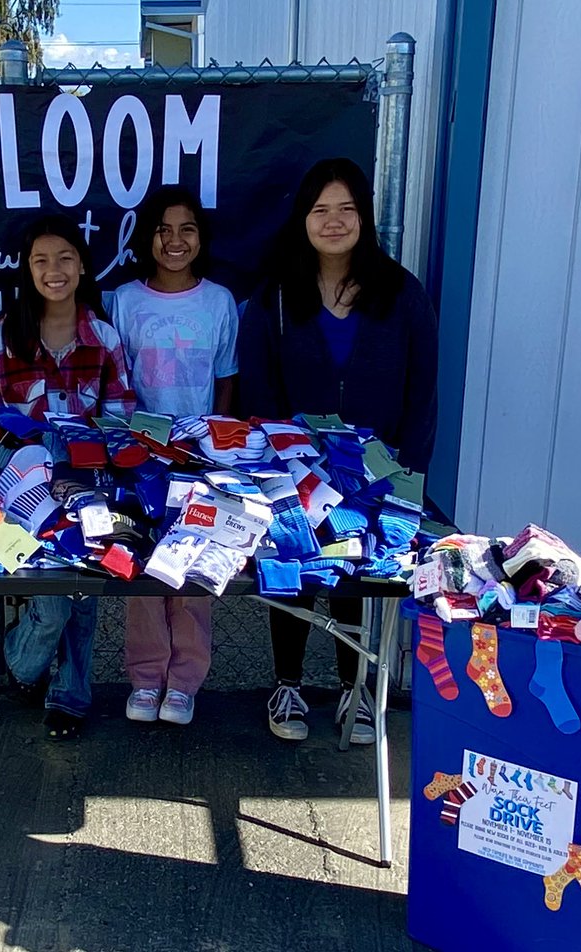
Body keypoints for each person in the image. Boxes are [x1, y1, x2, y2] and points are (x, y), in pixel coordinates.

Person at [238, 157, 439, 744]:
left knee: (358, 577)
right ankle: (288, 685)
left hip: (376, 476)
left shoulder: (403, 294)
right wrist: (278, 468)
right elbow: (258, 394)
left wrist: (407, 472)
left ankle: (355, 689)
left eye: (346, 209)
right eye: (320, 209)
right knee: (293, 572)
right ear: (303, 218)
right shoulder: (273, 298)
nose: (333, 221)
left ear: (365, 217)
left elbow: (423, 394)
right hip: (294, 474)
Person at [0, 214, 136, 740]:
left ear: (83, 266)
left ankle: (70, 696)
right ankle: (22, 662)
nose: (53, 270)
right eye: (40, 260)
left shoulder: (103, 336)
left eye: (65, 258)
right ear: (27, 270)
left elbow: (121, 414)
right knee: (54, 599)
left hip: (87, 482)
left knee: (83, 584)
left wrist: (89, 461)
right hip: (20, 488)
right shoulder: (3, 334)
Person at [108, 185, 238, 726]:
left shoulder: (219, 301)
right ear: (148, 238)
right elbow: (114, 378)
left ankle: (185, 681)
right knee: (142, 566)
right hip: (141, 456)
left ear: (201, 238)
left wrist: (215, 442)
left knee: (192, 569)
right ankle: (145, 675)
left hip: (199, 458)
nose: (175, 240)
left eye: (186, 229)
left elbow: (227, 381)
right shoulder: (124, 300)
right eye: (163, 229)